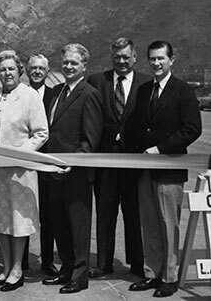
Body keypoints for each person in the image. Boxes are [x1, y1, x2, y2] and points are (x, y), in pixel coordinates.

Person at [125, 41, 201, 298]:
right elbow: (138, 125)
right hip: (145, 169)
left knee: (169, 225)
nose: (156, 63)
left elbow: (192, 129)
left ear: (172, 60)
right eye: (152, 59)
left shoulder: (183, 91)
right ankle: (152, 274)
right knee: (150, 225)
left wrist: (160, 148)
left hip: (169, 169)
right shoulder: (145, 89)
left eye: (160, 58)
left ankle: (169, 277)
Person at [0, 50, 48, 292]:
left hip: (19, 171)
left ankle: (17, 270)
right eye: (3, 69)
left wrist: (20, 154)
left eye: (11, 69)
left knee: (17, 221)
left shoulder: (30, 97)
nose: (7, 73)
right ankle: (4, 268)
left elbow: (40, 133)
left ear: (19, 71)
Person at [87, 38, 151, 279]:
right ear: (111, 57)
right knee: (105, 212)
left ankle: (136, 264)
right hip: (104, 160)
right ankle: (104, 263)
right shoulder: (96, 81)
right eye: (117, 57)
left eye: (126, 57)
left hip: (134, 160)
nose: (122, 61)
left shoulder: (146, 82)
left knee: (134, 214)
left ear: (134, 56)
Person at [42, 44, 102, 294]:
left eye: (73, 63)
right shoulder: (56, 91)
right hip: (52, 171)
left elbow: (91, 137)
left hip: (75, 173)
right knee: (59, 224)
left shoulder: (89, 94)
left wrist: (74, 162)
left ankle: (79, 276)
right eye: (65, 62)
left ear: (84, 66)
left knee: (78, 227)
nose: (68, 66)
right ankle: (66, 268)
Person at [23, 54, 58, 276]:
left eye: (41, 68)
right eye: (33, 68)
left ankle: (47, 260)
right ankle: (22, 260)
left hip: (45, 162)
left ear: (47, 71)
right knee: (23, 212)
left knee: (48, 215)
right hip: (24, 162)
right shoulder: (20, 94)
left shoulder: (57, 95)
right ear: (26, 71)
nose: (37, 71)